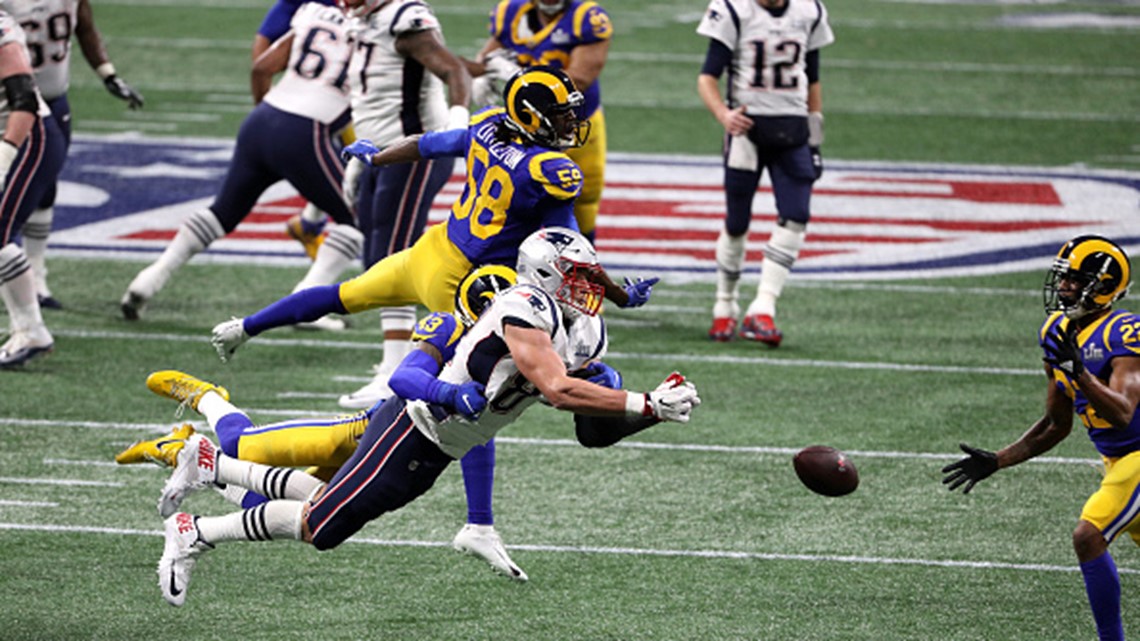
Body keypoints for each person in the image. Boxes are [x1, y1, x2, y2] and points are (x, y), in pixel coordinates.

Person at [151, 226, 700, 606]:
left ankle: (211, 466)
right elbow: (555, 389)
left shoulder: (585, 327)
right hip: (415, 425)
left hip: (445, 443)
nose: (590, 285)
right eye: (578, 276)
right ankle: (194, 531)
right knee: (322, 526)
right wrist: (643, 401)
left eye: (591, 274)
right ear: (544, 279)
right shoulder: (520, 308)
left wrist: (649, 411)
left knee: (329, 502)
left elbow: (592, 432)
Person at [118, 264, 536, 580]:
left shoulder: (510, 355)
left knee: (299, 510)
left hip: (403, 446)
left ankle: (197, 462)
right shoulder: (451, 328)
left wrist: (481, 520)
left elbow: (481, 433)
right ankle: (207, 401)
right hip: (366, 432)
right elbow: (405, 379)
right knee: (245, 447)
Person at [941, 235, 1140, 641]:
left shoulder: (1125, 331)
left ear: (1103, 286)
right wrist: (999, 459)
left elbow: (1122, 414)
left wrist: (1080, 371)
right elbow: (1056, 423)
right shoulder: (1056, 331)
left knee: (1089, 534)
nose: (1063, 287)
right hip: (1118, 464)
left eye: (1074, 279)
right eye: (1062, 278)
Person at [119, 2, 360, 321]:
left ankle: (149, 279)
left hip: (262, 120)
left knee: (222, 213)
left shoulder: (314, 13)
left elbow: (261, 67)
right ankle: (305, 306)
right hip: (306, 132)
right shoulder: (379, 31)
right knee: (359, 220)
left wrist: (269, 118)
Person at [329, 0, 473, 409]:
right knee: (377, 255)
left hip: (413, 153)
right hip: (381, 152)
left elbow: (453, 70)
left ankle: (399, 369)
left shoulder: (404, 20)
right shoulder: (368, 20)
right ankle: (394, 365)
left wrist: (458, 124)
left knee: (393, 255)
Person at [696, 0, 834, 347]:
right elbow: (707, 77)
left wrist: (815, 137)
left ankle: (764, 307)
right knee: (738, 221)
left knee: (796, 215)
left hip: (794, 131)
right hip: (746, 132)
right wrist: (724, 116)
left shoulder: (809, 10)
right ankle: (724, 304)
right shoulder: (733, 9)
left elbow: (813, 78)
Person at [2, 0, 144, 310]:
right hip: (12, 109)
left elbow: (85, 27)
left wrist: (109, 75)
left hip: (53, 101)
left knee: (44, 189)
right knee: (8, 211)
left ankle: (37, 279)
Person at [466, 0, 612, 244]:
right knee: (516, 196)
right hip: (527, 128)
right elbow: (489, 56)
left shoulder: (586, 18)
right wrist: (481, 71)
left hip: (572, 124)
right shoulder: (510, 13)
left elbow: (581, 78)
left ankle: (581, 264)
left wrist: (516, 75)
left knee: (583, 199)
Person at [0, 10, 67, 367]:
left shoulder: (2, 29)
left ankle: (31, 331)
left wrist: (3, 159)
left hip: (26, 138)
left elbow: (23, 100)